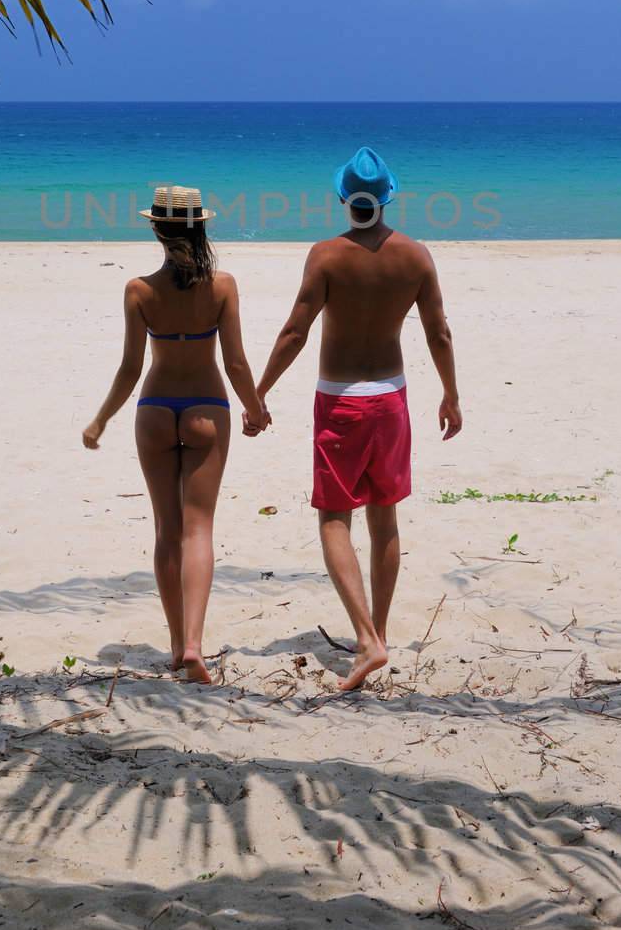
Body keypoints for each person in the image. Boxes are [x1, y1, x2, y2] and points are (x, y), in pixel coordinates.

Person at [250, 148, 462, 691]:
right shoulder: (415, 256)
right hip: (391, 398)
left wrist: (259, 392)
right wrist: (450, 394)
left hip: (341, 401)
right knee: (385, 518)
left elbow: (295, 331)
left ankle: (367, 639)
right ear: (390, 197)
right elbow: (439, 332)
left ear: (343, 198)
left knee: (334, 519)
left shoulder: (326, 256)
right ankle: (378, 635)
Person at [83, 185, 269, 683]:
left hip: (155, 410)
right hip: (208, 407)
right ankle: (193, 645)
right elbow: (235, 361)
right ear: (201, 227)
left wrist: (100, 420)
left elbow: (128, 369)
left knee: (167, 530)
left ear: (156, 229)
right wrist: (256, 407)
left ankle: (173, 644)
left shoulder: (139, 290)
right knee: (199, 529)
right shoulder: (223, 285)